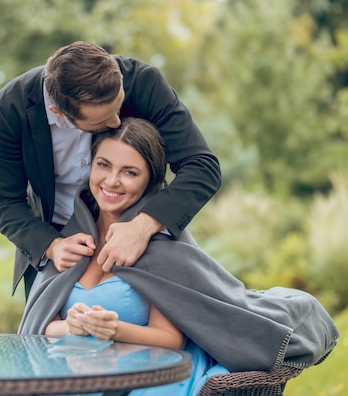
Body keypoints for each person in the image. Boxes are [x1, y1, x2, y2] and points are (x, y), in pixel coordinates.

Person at [19, 119, 339, 395]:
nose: (112, 181)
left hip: (149, 373)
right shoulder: (71, 242)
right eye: (104, 165)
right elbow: (44, 327)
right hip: (75, 370)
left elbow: (170, 340)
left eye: (129, 172)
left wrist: (113, 329)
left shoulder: (161, 250)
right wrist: (75, 327)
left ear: (151, 181)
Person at [0, 41, 222, 297]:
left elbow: (202, 166)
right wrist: (51, 246)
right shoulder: (10, 106)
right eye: (102, 121)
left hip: (139, 237)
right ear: (59, 113)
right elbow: (3, 199)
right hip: (57, 244)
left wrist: (142, 227)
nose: (117, 121)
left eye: (118, 107)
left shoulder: (143, 82)